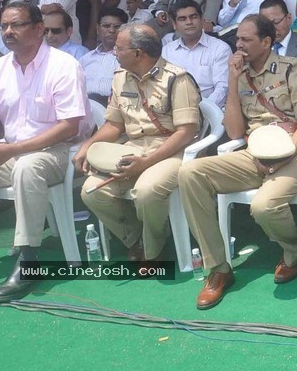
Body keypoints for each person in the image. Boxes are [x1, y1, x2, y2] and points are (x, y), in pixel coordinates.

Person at [178, 14, 297, 309]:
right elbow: (234, 132)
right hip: (254, 153)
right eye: (237, 39)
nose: (238, 45)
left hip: (296, 150)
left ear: (266, 42)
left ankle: (294, 248)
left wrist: (284, 156)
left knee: (263, 206)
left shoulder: (291, 69)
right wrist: (232, 80)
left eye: (245, 39)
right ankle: (217, 268)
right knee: (190, 173)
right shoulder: (239, 74)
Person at [0, 2, 90, 299]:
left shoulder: (63, 65)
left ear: (39, 29)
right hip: (12, 150)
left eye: (16, 25)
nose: (8, 32)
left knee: (28, 167)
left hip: (58, 150)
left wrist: (13, 150)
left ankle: (28, 261)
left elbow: (69, 126)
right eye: (4, 26)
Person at [74, 23, 202, 264]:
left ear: (137, 53)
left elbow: (186, 132)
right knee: (92, 191)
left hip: (170, 151)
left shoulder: (177, 79)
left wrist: (145, 163)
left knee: (146, 191)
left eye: (118, 48)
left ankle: (153, 252)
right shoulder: (120, 78)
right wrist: (86, 146)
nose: (113, 52)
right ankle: (137, 239)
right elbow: (114, 125)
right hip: (133, 148)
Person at [162, 0, 232, 108]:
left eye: (193, 17)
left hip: (211, 112)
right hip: (174, 111)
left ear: (202, 19)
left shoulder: (220, 48)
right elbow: (162, 86)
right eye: (182, 19)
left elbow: (223, 87)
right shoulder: (167, 51)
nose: (189, 22)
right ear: (174, 24)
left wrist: (201, 110)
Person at [81, 7, 128, 103]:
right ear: (97, 29)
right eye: (106, 26)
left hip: (114, 107)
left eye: (117, 26)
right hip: (83, 106)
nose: (111, 30)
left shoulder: (128, 58)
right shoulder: (85, 59)